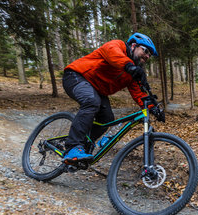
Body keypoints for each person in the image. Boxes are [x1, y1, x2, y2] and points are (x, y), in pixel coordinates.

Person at [62, 32, 160, 163]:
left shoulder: (132, 71)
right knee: (92, 102)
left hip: (97, 90)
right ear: (133, 45)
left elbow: (139, 94)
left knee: (107, 118)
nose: (147, 56)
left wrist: (154, 108)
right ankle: (72, 147)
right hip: (77, 76)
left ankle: (84, 145)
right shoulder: (118, 46)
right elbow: (113, 54)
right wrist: (129, 66)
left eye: (149, 55)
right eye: (146, 51)